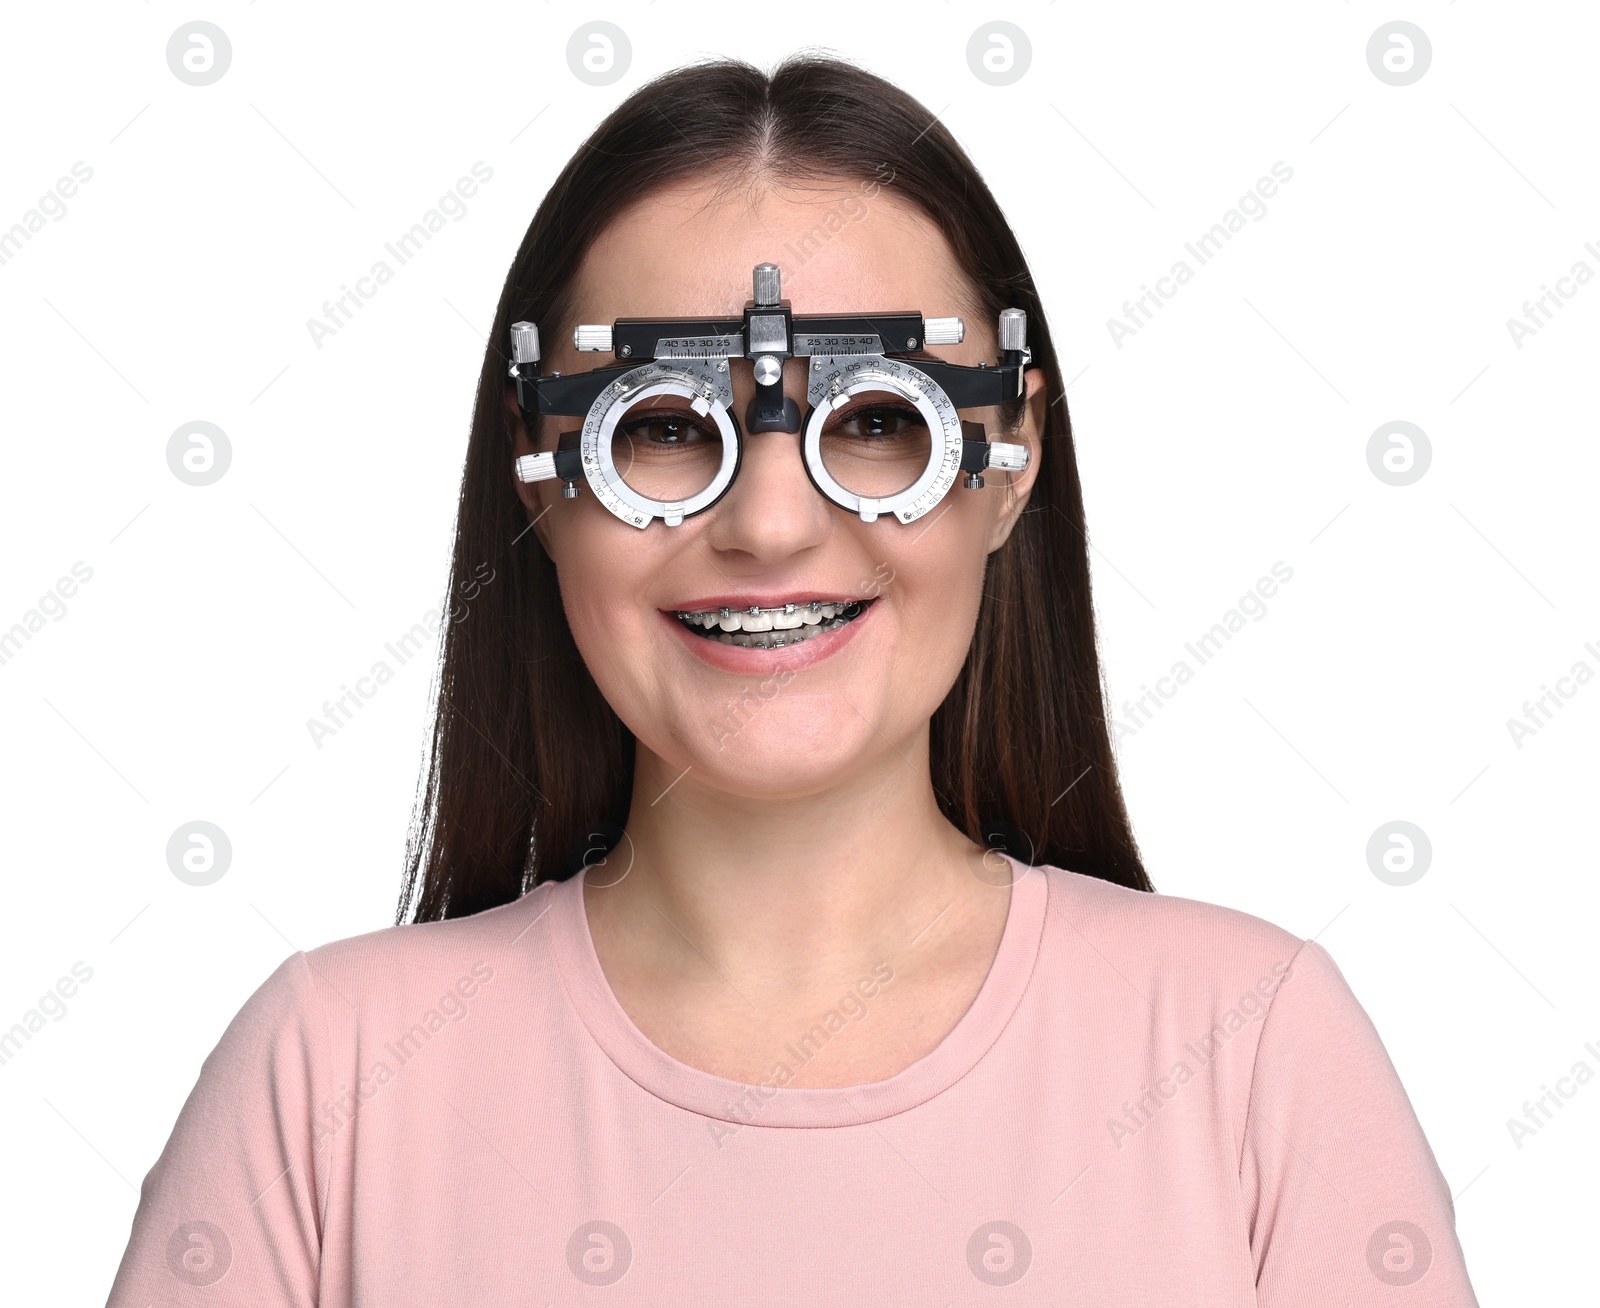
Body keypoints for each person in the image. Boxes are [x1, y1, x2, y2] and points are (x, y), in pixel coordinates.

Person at [105, 55, 1479, 1305]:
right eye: (659, 429)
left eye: (880, 422)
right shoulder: (332, 1081)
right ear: (541, 479)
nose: (768, 522)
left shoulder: (1251, 1053)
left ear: (1009, 464)